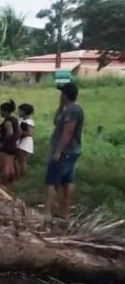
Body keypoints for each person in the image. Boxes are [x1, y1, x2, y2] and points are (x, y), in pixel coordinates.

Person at [45, 83, 84, 218]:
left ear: (65, 94)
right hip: (71, 151)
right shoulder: (69, 109)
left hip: (65, 152)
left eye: (62, 93)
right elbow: (56, 121)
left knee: (52, 182)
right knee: (68, 181)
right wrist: (61, 106)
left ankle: (48, 214)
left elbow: (68, 131)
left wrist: (58, 151)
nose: (60, 95)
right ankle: (64, 213)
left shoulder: (72, 110)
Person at [0, 100, 19, 185]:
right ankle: (11, 182)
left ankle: (4, 183)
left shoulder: (7, 121)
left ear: (5, 111)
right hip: (13, 146)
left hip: (6, 147)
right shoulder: (14, 119)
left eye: (1, 111)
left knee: (5, 166)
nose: (0, 113)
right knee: (11, 165)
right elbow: (18, 132)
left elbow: (10, 133)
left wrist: (3, 143)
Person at [16, 103, 35, 182]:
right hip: (21, 142)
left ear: (24, 112)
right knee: (19, 161)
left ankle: (21, 177)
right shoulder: (22, 120)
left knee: (22, 161)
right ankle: (19, 176)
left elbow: (29, 133)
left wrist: (20, 134)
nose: (18, 112)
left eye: (20, 111)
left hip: (25, 143)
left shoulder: (29, 122)